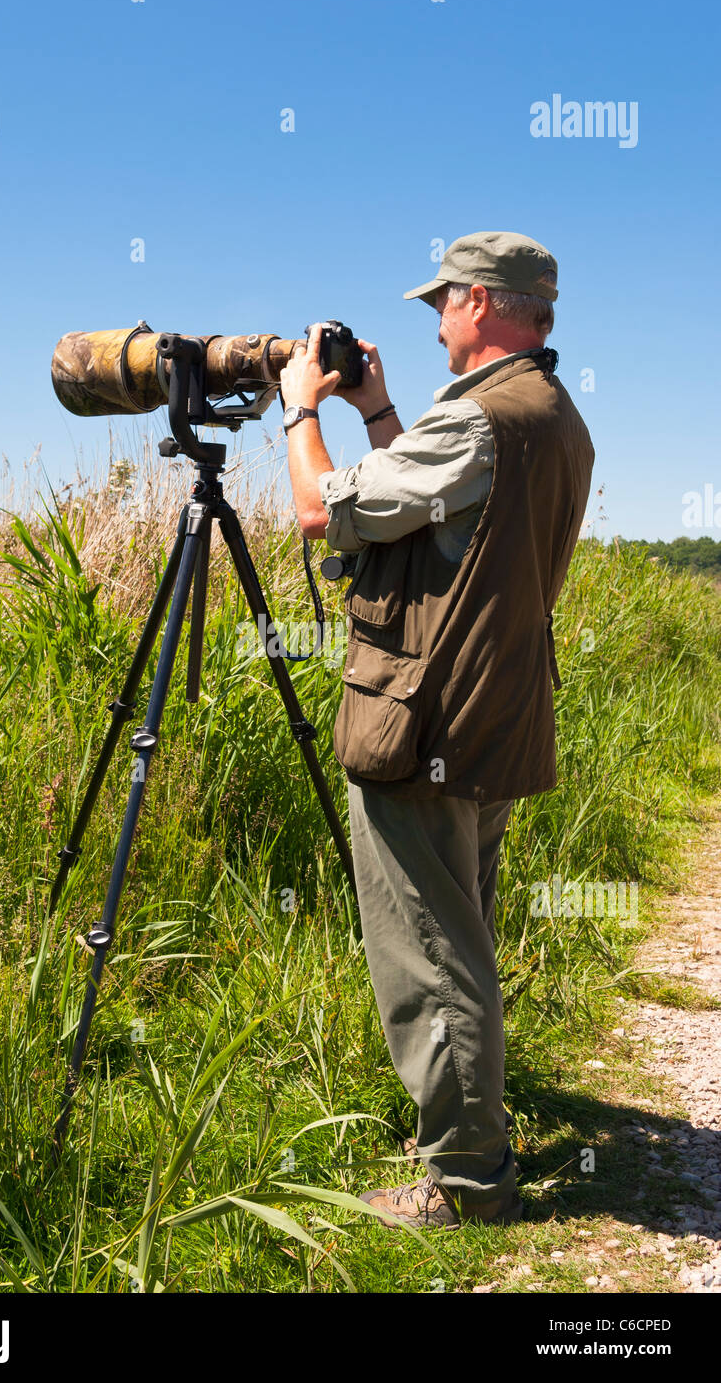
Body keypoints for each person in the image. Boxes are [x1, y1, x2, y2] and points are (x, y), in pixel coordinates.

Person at [279, 231, 595, 1229]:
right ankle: (468, 1133)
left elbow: (320, 515)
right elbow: (432, 514)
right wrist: (375, 411)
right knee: (457, 930)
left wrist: (298, 410)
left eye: (444, 299)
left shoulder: (481, 420)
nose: (436, 316)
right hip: (489, 712)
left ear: (484, 301)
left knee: (428, 946)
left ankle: (464, 1184)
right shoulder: (543, 414)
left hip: (425, 717)